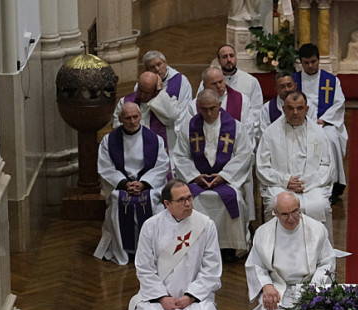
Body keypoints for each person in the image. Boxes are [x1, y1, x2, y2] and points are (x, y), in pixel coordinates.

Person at [126, 180, 222, 310]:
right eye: (181, 200)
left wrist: (190, 296)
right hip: (159, 295)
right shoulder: (151, 226)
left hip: (193, 296)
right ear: (167, 204)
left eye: (189, 198)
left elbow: (212, 268)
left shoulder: (205, 225)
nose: (188, 204)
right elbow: (144, 267)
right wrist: (162, 297)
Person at [246, 191, 336, 310]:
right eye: (285, 214)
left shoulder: (316, 230)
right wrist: (266, 285)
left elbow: (327, 263)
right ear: (275, 213)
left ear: (300, 208)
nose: (291, 218)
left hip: (309, 284)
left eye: (295, 212)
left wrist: (314, 289)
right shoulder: (263, 233)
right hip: (278, 286)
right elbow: (255, 266)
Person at [172, 89, 253, 259]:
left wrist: (224, 176)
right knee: (191, 200)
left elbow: (244, 155)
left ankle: (229, 248)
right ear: (198, 107)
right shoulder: (189, 127)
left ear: (220, 105)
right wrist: (195, 176)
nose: (209, 113)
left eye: (212, 108)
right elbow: (180, 156)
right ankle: (196, 246)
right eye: (204, 109)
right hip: (197, 180)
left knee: (235, 199)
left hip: (227, 181)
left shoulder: (236, 127)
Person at [94, 103, 170, 265]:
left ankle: (150, 251)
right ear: (120, 119)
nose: (133, 121)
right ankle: (124, 250)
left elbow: (162, 165)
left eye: (135, 117)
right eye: (128, 118)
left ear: (140, 116)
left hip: (147, 185)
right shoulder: (109, 141)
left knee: (151, 201)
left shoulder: (154, 139)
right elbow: (105, 167)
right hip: (122, 186)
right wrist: (124, 184)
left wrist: (144, 183)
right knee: (118, 200)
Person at [256, 91, 335, 241]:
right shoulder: (270, 133)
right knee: (275, 206)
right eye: (290, 108)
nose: (295, 112)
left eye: (299, 108)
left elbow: (327, 165)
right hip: (280, 185)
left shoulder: (319, 133)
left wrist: (306, 183)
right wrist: (285, 181)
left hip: (311, 186)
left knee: (321, 206)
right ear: (283, 109)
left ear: (307, 109)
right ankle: (275, 250)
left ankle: (319, 251)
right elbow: (262, 167)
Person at [293, 44, 349, 202]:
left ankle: (335, 185)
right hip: (301, 123)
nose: (310, 66)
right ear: (301, 63)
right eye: (306, 63)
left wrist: (323, 120)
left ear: (318, 60)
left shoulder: (331, 80)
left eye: (313, 61)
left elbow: (338, 103)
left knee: (331, 139)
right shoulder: (294, 81)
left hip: (325, 122)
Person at [197, 45, 263, 132]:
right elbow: (200, 104)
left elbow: (256, 111)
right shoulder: (207, 81)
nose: (229, 59)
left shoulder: (251, 81)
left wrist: (246, 133)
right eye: (224, 57)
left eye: (231, 56)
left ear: (236, 58)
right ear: (219, 60)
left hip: (240, 132)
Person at [113, 71, 182, 154]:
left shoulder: (167, 101)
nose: (142, 95)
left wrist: (160, 93)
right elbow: (116, 127)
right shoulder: (125, 102)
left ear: (155, 90)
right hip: (132, 150)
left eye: (147, 93)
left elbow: (171, 117)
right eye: (140, 90)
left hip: (161, 152)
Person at [188, 67, 254, 137]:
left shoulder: (242, 100)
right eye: (214, 83)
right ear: (205, 85)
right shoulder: (194, 105)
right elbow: (188, 130)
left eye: (220, 81)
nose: (219, 86)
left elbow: (248, 129)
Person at [255, 71, 297, 143]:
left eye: (289, 85)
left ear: (295, 86)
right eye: (282, 87)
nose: (287, 89)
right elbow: (264, 135)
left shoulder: (306, 105)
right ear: (276, 89)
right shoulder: (267, 108)